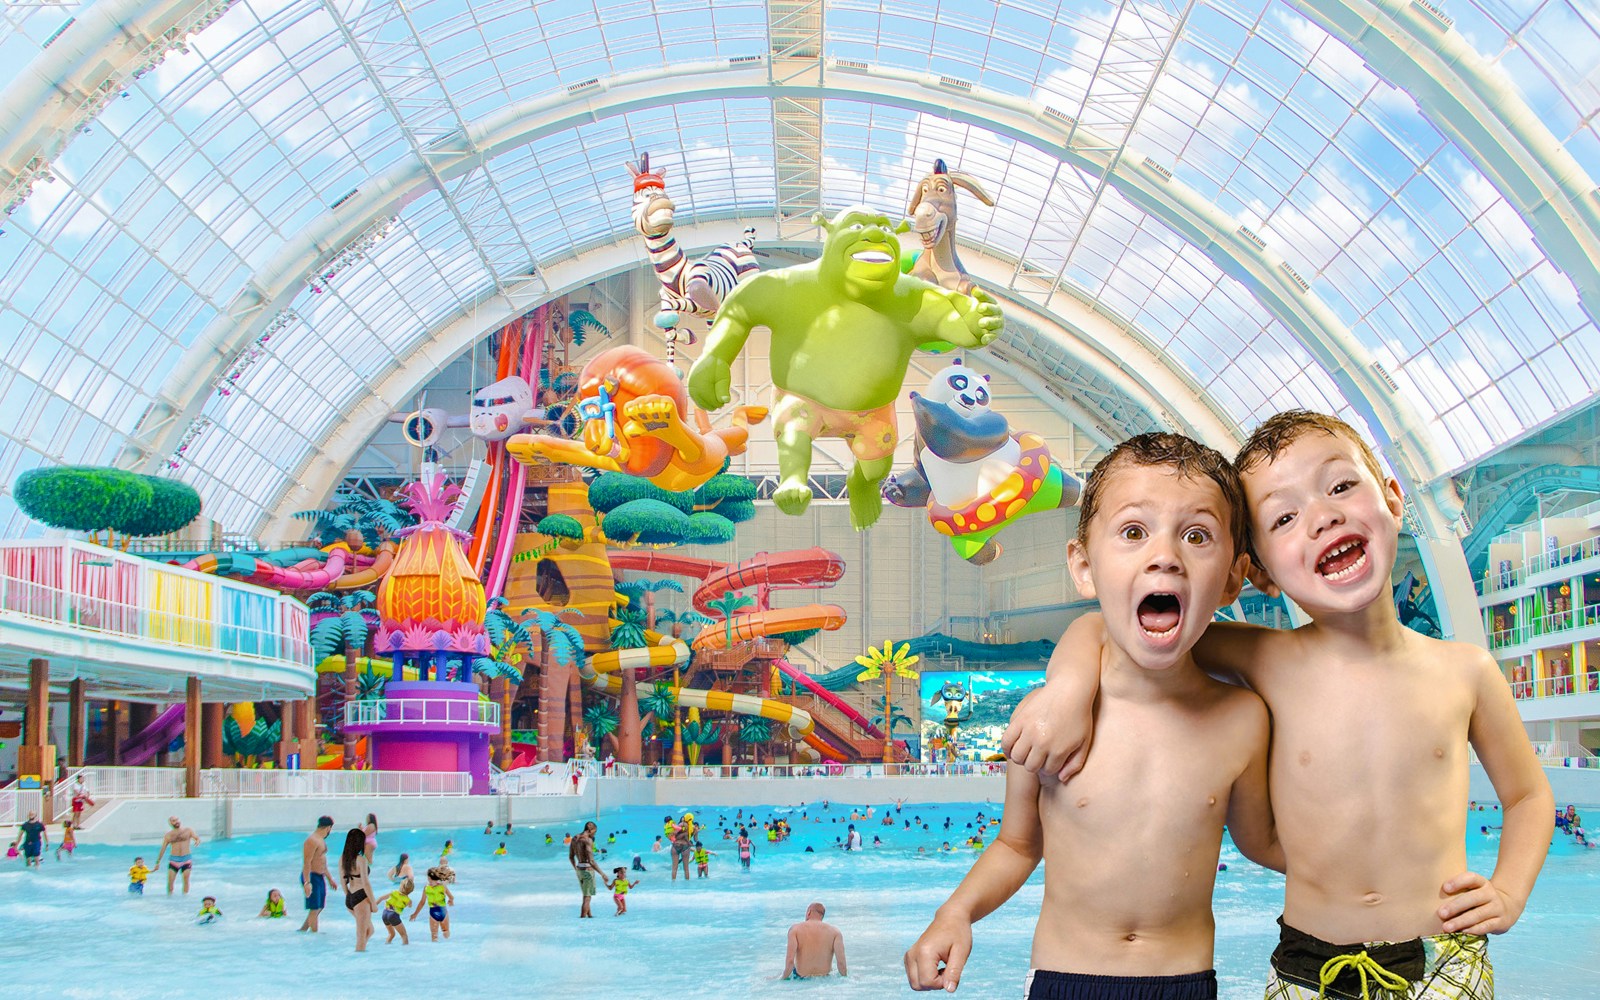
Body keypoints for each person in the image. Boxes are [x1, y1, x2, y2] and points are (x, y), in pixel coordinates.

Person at [1002, 414, 1556, 999]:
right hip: (1308, 965)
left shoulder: (1465, 670)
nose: (1322, 517)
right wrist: (1065, 689)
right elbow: (1111, 628)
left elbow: (1528, 795)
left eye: (1341, 486)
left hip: (1444, 956)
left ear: (1393, 498)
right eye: (1285, 517)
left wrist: (1510, 890)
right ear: (1259, 573)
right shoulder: (1268, 659)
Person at [906, 432, 1276, 998]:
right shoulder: (1047, 718)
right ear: (1083, 567)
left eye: (1197, 535)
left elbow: (1262, 843)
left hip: (1184, 981)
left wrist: (1381, 871)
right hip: (1066, 977)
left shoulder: (1243, 720)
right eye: (1133, 531)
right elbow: (1017, 845)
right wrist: (955, 912)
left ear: (1231, 576)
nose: (1165, 556)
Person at [782, 902, 848, 980]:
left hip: (801, 978)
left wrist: (782, 978)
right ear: (822, 916)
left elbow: (790, 962)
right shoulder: (835, 932)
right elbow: (841, 964)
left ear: (809, 912)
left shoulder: (795, 929)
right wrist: (845, 977)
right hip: (825, 979)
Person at [340, 827, 378, 952]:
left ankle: (358, 956)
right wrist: (373, 903)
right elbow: (366, 883)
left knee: (370, 930)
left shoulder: (343, 859)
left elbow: (342, 881)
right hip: (361, 896)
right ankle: (357, 959)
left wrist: (349, 897)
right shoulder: (361, 860)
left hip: (350, 897)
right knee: (361, 936)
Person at [299, 815, 336, 933]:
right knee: (314, 908)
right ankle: (314, 934)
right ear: (328, 827)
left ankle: (303, 930)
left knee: (319, 907)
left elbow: (322, 862)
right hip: (311, 876)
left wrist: (330, 879)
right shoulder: (312, 840)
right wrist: (307, 882)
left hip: (320, 876)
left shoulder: (321, 840)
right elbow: (307, 862)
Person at [154, 815, 200, 894]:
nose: (176, 821)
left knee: (186, 880)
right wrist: (158, 862)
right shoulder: (168, 835)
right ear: (170, 823)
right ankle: (170, 899)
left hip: (186, 859)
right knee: (170, 882)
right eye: (173, 820)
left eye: (177, 820)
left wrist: (197, 841)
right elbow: (163, 848)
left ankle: (185, 899)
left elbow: (197, 838)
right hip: (174, 860)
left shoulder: (188, 830)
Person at [410, 866, 455, 941]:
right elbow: (422, 902)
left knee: (446, 932)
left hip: (443, 913)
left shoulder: (442, 887)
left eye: (431, 880)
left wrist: (451, 901)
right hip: (433, 914)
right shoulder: (426, 888)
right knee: (434, 935)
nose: (429, 882)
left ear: (437, 879)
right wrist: (415, 914)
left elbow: (451, 896)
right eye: (428, 880)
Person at [570, 821, 600, 917]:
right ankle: (582, 919)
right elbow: (591, 861)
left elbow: (571, 857)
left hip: (579, 869)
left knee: (585, 894)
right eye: (595, 832)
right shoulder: (588, 840)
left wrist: (576, 869)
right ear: (591, 830)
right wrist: (602, 874)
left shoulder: (574, 838)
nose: (594, 834)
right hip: (588, 870)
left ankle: (589, 915)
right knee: (587, 897)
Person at [383, 877, 413, 945]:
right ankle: (405, 952)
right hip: (393, 915)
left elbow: (381, 898)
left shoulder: (394, 892)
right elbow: (409, 906)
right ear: (411, 890)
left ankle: (386, 946)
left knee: (391, 934)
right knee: (404, 936)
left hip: (385, 913)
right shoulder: (408, 900)